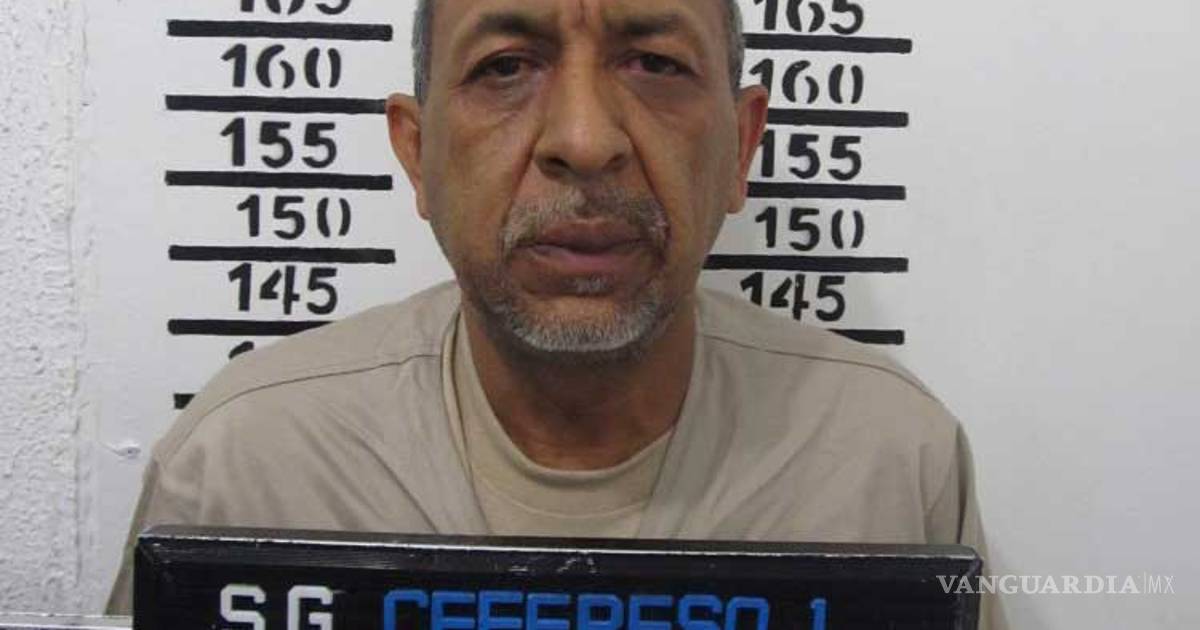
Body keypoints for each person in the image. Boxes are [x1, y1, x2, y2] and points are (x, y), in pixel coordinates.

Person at [108, 0, 1002, 626]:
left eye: (656, 64)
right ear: (417, 155)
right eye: (505, 67)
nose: (585, 140)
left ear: (741, 145)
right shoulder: (245, 468)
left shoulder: (887, 463)